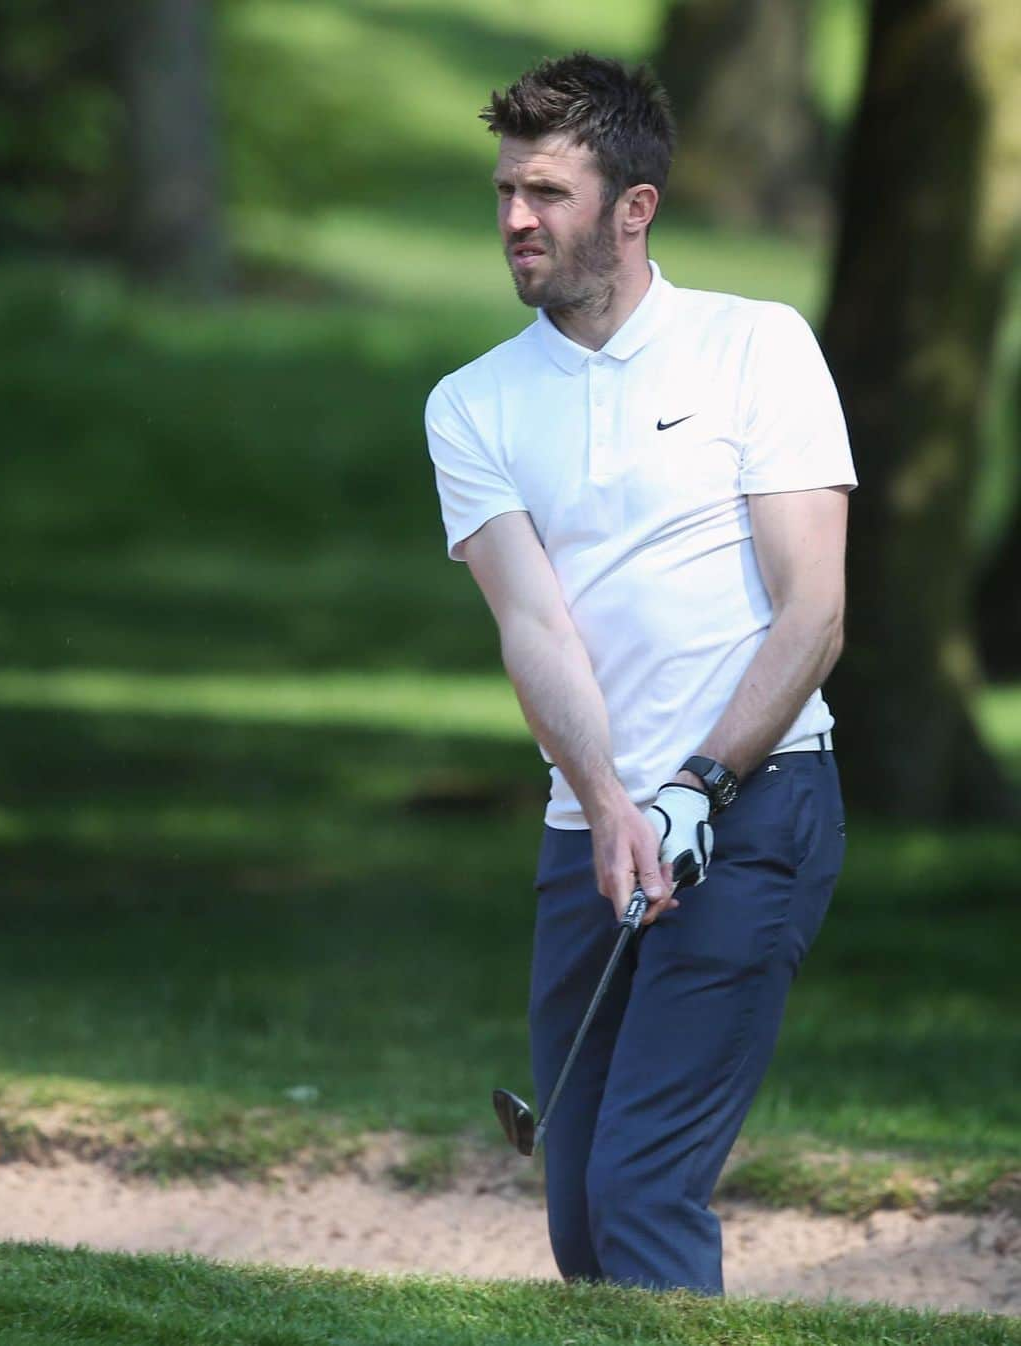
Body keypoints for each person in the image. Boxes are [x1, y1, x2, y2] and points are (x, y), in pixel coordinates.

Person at [423, 52, 856, 1296]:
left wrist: (697, 787)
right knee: (580, 1218)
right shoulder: (474, 403)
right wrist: (614, 802)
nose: (514, 217)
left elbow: (814, 609)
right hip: (591, 827)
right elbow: (534, 627)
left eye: (547, 192)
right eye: (506, 189)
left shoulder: (755, 347)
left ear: (634, 205)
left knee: (642, 1187)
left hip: (759, 802)